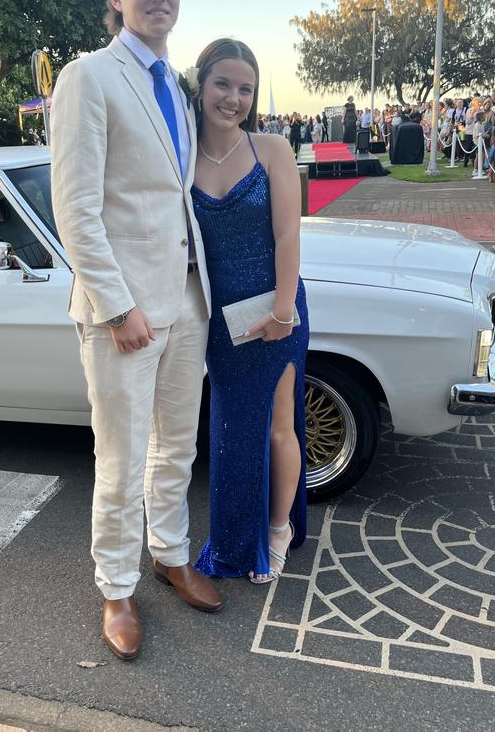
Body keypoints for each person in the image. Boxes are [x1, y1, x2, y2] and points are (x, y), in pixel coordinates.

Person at [50, 0, 222, 662]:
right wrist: (118, 307)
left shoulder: (175, 88)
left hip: (187, 299)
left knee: (177, 447)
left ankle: (169, 551)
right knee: (121, 460)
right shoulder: (87, 76)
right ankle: (117, 586)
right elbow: (75, 207)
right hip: (124, 313)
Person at [189, 38, 309, 583]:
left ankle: (278, 528)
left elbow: (287, 232)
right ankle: (236, 539)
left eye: (245, 88)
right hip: (222, 320)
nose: (233, 98)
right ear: (201, 84)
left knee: (279, 426)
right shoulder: (181, 153)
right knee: (232, 433)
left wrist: (283, 309)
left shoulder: (272, 149)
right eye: (223, 84)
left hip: (276, 309)